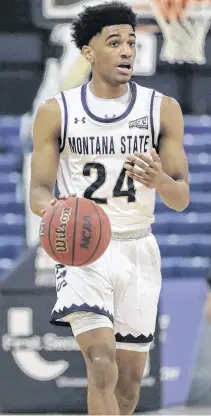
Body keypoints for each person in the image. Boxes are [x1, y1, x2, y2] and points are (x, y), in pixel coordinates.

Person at [30, 1, 189, 414]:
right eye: (114, 42)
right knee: (100, 364)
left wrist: (160, 182)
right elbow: (38, 193)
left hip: (139, 248)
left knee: (130, 384)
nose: (126, 51)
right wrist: (57, 211)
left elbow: (180, 197)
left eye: (132, 43)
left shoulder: (162, 109)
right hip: (85, 251)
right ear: (88, 52)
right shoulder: (56, 112)